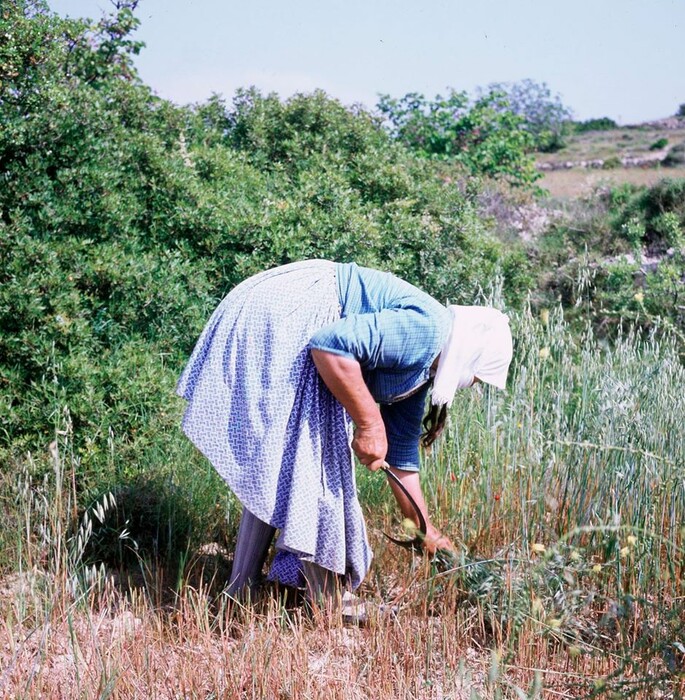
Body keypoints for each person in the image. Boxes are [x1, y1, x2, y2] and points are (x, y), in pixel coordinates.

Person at [176, 259, 512, 605]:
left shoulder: (420, 370)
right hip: (287, 310)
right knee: (317, 459)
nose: (472, 385)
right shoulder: (428, 330)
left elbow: (402, 460)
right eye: (477, 377)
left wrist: (428, 534)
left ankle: (245, 591)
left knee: (292, 464)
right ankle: (323, 598)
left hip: (289, 313)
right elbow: (330, 346)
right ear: (469, 355)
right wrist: (368, 423)